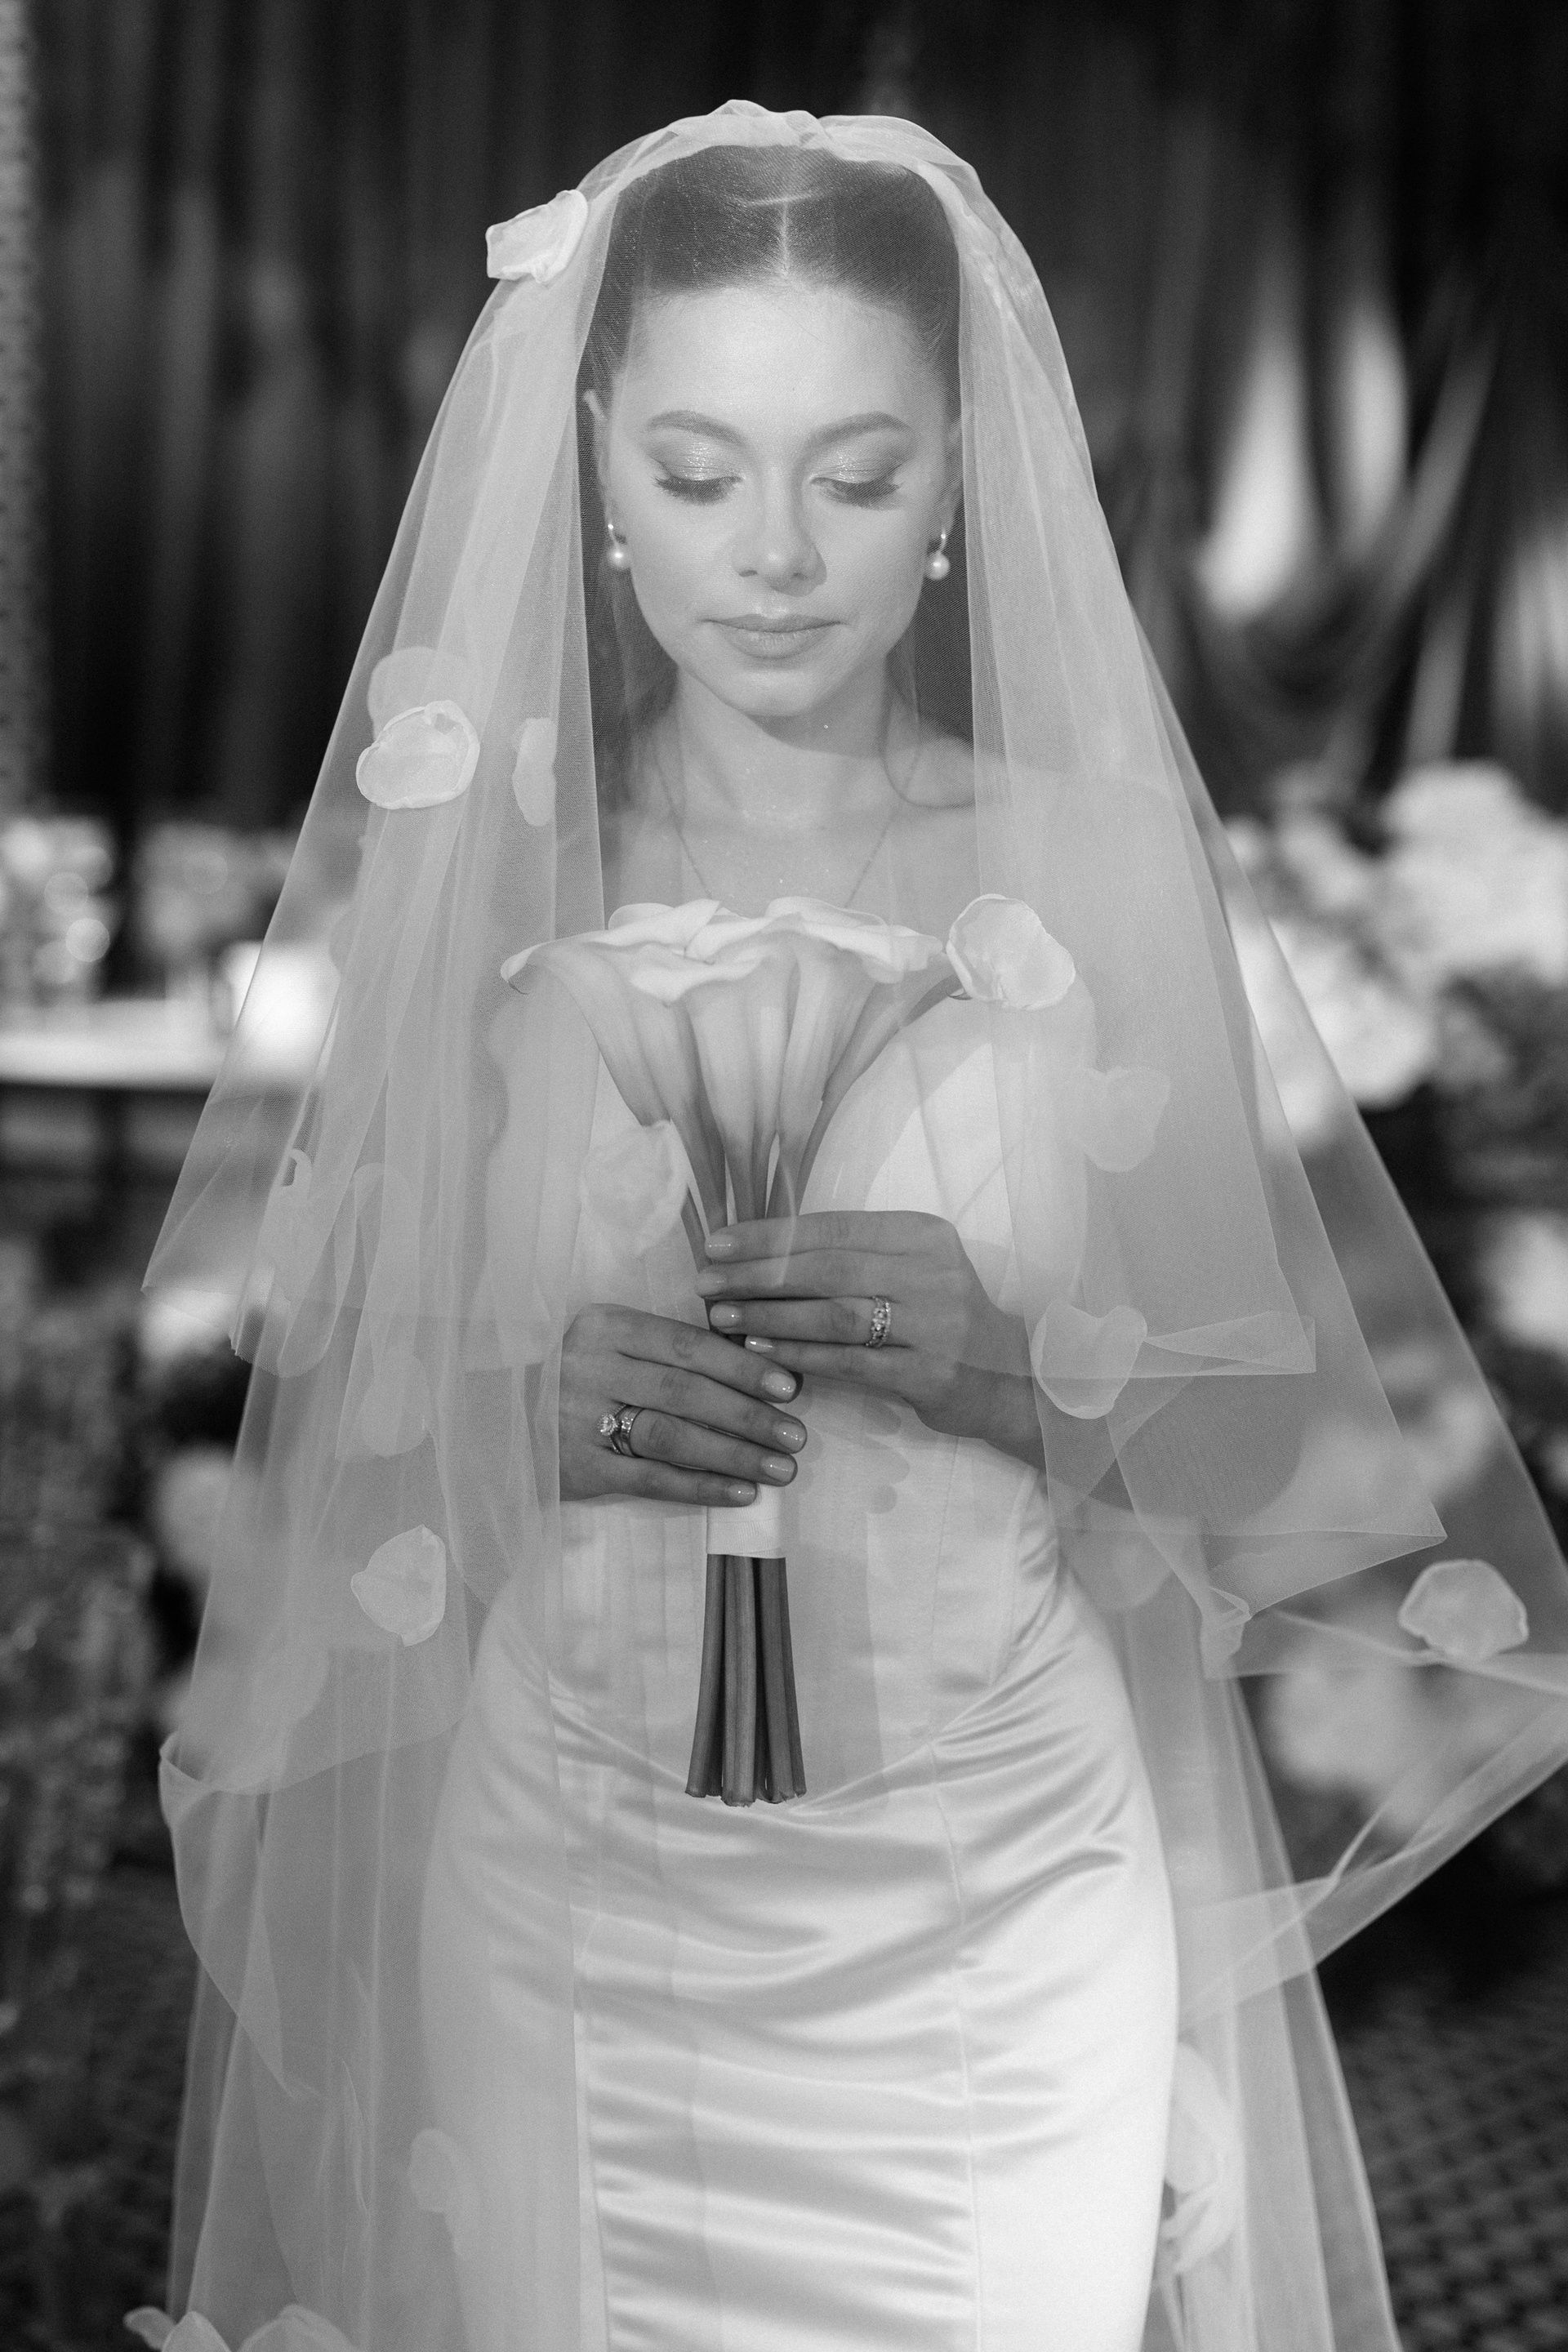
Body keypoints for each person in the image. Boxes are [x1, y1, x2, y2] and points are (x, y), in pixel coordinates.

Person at [143, 105, 1568, 2352]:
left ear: (958, 482)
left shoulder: (1099, 868)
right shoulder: (471, 880)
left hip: (998, 1895)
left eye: (860, 473)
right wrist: (514, 1415)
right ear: (596, 470)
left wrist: (1017, 1367)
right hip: (568, 1885)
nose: (780, 555)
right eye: (701, 473)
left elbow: (1306, 1470)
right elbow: (318, 1438)